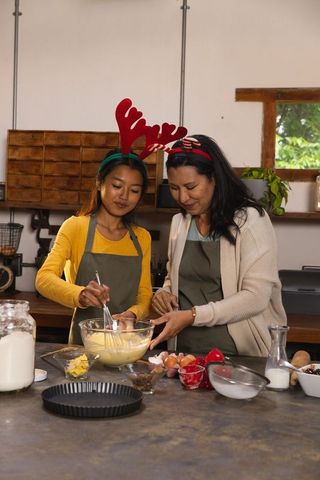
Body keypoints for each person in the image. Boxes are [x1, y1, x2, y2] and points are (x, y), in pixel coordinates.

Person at [150, 134, 287, 356]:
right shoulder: (180, 222)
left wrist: (193, 315)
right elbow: (173, 279)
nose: (183, 197)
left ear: (214, 177)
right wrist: (163, 294)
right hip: (184, 354)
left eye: (191, 186)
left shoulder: (250, 220)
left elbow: (256, 297)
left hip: (240, 354)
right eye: (174, 188)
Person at [35, 148, 153, 344]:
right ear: (99, 182)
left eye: (134, 191)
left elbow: (145, 295)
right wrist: (80, 294)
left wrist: (132, 314)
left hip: (127, 344)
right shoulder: (76, 227)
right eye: (117, 185)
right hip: (84, 346)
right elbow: (43, 279)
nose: (124, 196)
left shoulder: (142, 238)